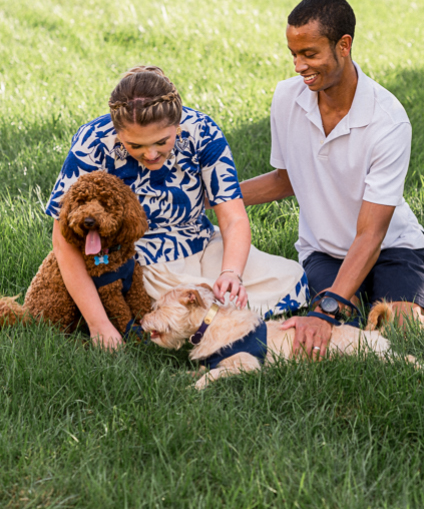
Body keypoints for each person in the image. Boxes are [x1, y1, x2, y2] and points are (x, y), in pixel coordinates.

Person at [240, 0, 424, 357]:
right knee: (342, 341)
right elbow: (285, 179)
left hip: (391, 244)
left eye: (310, 54)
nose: (298, 66)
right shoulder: (286, 98)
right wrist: (213, 195)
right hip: (326, 250)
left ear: (343, 45)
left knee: (405, 334)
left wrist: (326, 308)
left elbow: (371, 233)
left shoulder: (388, 122)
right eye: (293, 54)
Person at [45, 66, 309, 350]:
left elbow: (233, 219)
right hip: (137, 260)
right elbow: (62, 242)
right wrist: (99, 326)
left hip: (201, 243)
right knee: (171, 302)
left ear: (178, 124)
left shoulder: (203, 131)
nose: (151, 154)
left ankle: (202, 313)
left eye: (162, 141)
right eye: (135, 145)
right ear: (118, 133)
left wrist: (231, 273)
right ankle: (204, 316)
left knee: (291, 279)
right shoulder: (93, 142)